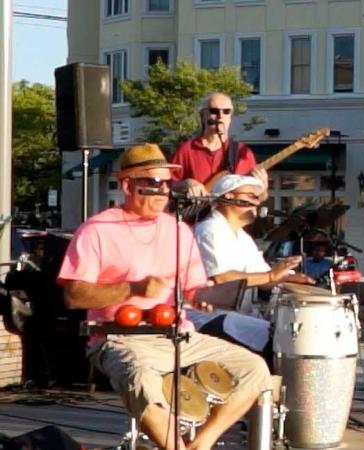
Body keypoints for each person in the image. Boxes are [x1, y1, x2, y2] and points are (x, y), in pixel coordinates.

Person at [57, 144, 270, 450]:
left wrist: (207, 297)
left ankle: (202, 443)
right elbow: (74, 296)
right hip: (118, 338)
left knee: (255, 369)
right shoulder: (98, 229)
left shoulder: (179, 230)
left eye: (167, 183)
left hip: (177, 335)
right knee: (142, 378)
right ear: (128, 185)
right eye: (152, 183)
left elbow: (195, 288)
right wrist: (133, 288)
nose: (162, 190)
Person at [192, 174, 315, 356]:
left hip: (237, 316)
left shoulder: (243, 237)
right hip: (209, 317)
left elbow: (264, 278)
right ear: (228, 197)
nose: (257, 202)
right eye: (251, 196)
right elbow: (222, 279)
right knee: (280, 339)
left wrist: (292, 279)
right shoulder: (210, 229)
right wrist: (270, 276)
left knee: (292, 337)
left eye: (258, 197)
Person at [171, 92, 268, 198]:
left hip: (229, 214)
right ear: (202, 116)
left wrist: (262, 189)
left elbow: (257, 199)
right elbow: (168, 186)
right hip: (197, 213)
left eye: (226, 112)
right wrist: (187, 183)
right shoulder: (186, 150)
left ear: (230, 117)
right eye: (214, 111)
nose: (220, 116)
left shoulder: (243, 153)